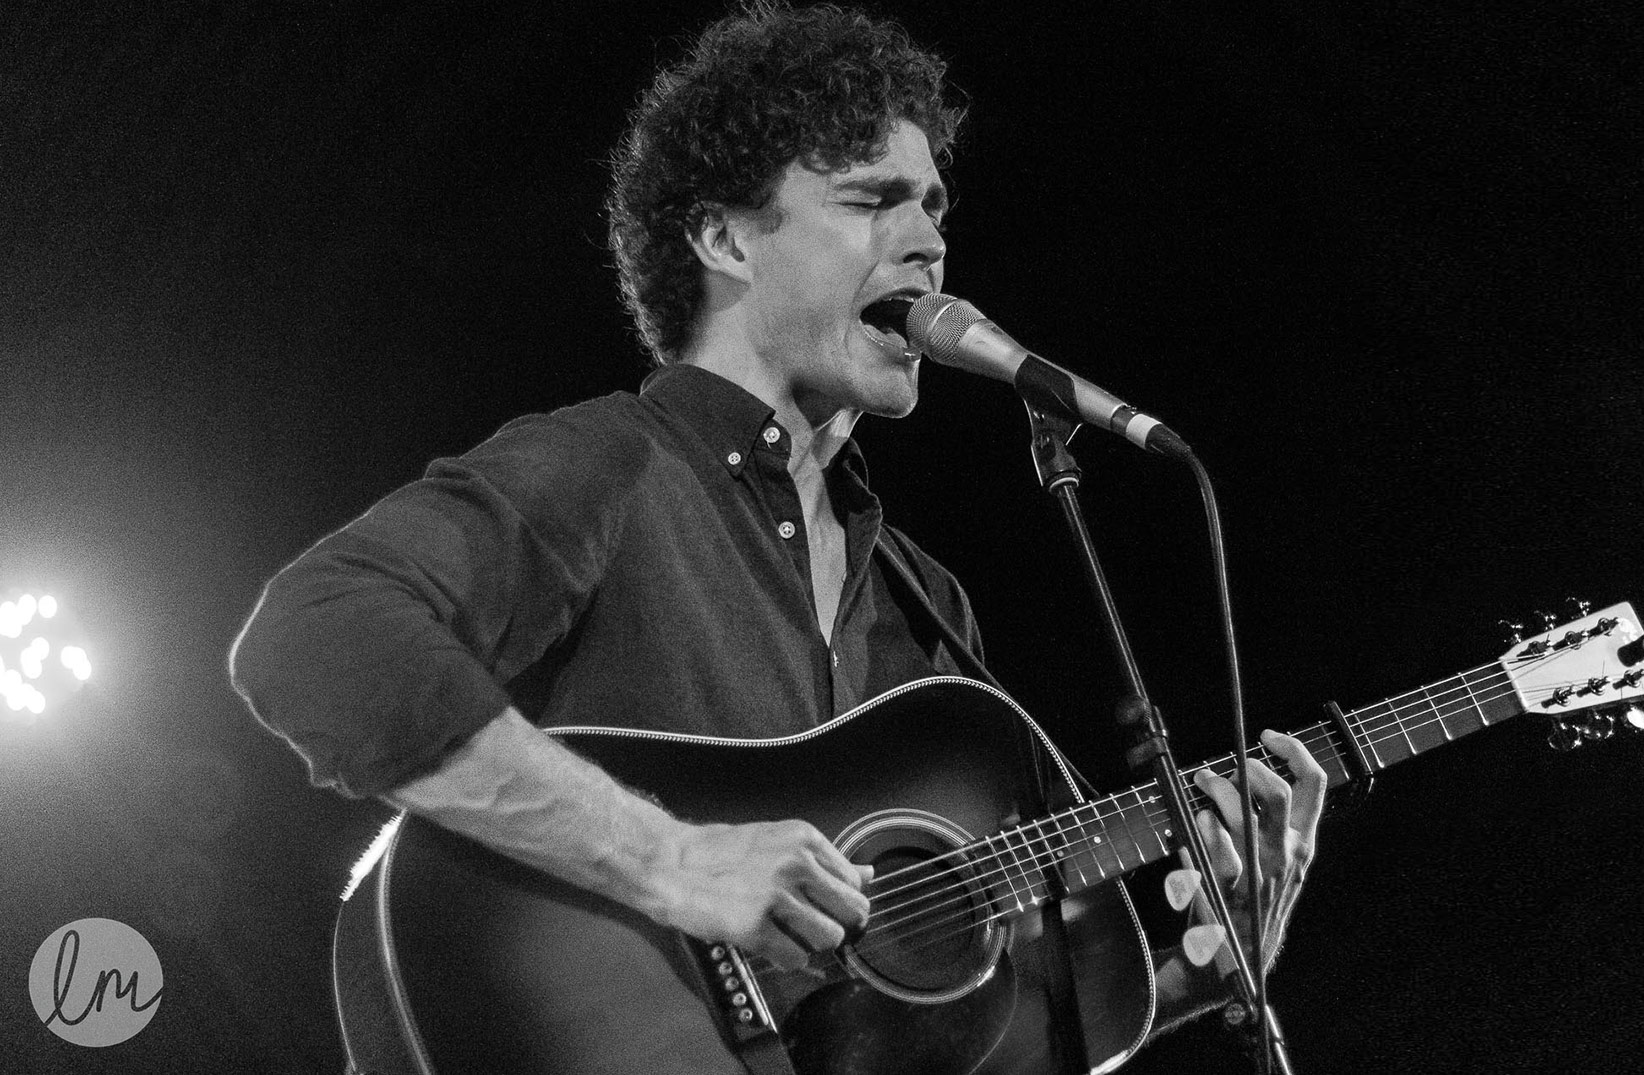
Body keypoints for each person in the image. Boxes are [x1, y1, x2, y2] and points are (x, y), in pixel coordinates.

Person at [230, 2, 1323, 1069]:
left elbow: (980, 1037)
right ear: (721, 238)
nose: (929, 242)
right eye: (870, 200)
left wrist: (1213, 965)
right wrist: (669, 859)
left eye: (934, 207)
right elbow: (315, 638)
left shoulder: (926, 604)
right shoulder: (612, 464)